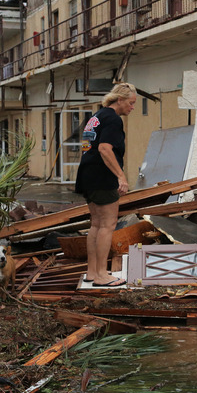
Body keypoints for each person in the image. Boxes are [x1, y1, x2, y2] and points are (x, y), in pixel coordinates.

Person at [74, 82, 137, 287]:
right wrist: (121, 176)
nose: (132, 107)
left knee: (96, 224)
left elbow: (88, 147)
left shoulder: (97, 117)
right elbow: (104, 149)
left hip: (87, 175)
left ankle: (92, 272)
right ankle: (102, 275)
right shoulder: (113, 119)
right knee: (108, 225)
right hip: (102, 177)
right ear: (120, 100)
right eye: (131, 102)